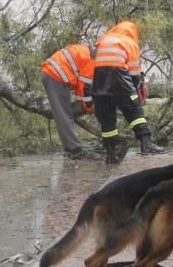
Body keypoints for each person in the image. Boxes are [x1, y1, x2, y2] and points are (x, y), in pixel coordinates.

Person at [92, 21, 165, 164]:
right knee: (134, 111)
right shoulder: (129, 42)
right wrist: (137, 90)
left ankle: (110, 155)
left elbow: (97, 62)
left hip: (99, 78)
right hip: (119, 76)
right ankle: (146, 144)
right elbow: (133, 72)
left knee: (107, 119)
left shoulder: (104, 39)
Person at [40, 43, 98, 160]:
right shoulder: (91, 60)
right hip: (55, 75)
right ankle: (75, 150)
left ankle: (71, 146)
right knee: (64, 113)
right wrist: (89, 106)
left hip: (54, 73)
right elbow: (85, 88)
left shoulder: (87, 53)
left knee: (64, 112)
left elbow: (82, 86)